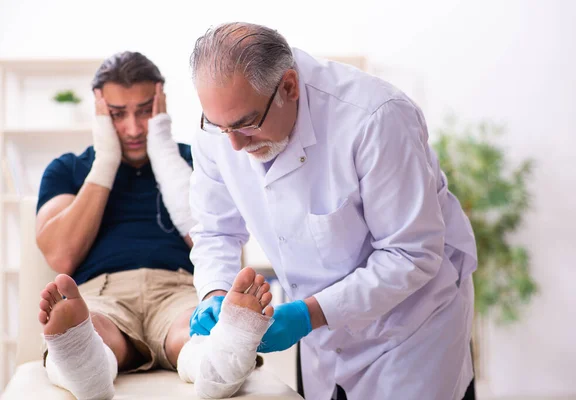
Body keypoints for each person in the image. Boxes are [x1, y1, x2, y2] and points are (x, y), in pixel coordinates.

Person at [188, 23, 479, 400]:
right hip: (321, 342)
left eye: (247, 125)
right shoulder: (222, 127)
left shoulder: (376, 118)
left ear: (289, 87)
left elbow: (411, 254)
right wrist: (214, 293)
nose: (235, 146)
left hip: (409, 334)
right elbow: (215, 231)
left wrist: (307, 314)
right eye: (219, 127)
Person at [36, 51, 273, 399]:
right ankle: (84, 364)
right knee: (96, 329)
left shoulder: (195, 160)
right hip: (102, 293)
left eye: (145, 111)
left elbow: (217, 243)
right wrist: (106, 161)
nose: (133, 128)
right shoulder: (68, 169)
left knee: (192, 332)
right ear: (100, 112)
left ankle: (217, 364)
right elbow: (61, 256)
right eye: (117, 115)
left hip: (180, 287)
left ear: (161, 103)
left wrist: (163, 151)